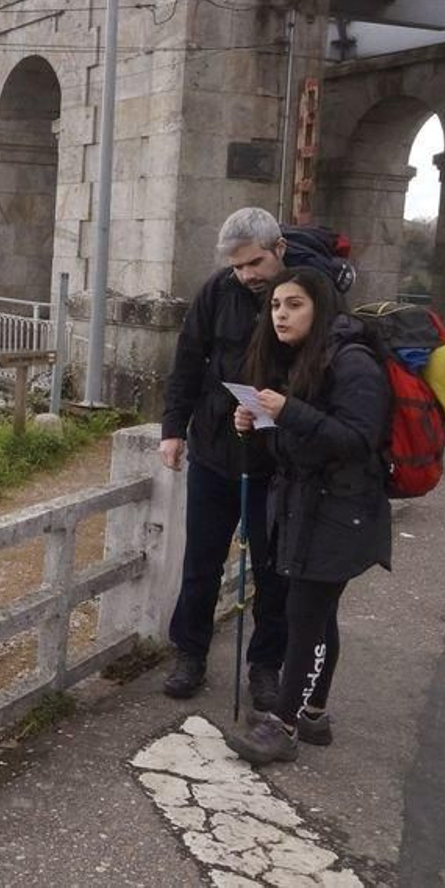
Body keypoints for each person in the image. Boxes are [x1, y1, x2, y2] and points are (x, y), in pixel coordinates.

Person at [158, 207, 349, 709]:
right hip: (215, 447)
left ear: (279, 249)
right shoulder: (218, 291)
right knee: (200, 559)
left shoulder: (310, 295)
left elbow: (326, 372)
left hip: (279, 462)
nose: (246, 276)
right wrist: (173, 429)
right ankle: (190, 653)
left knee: (274, 571)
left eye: (255, 263)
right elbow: (188, 359)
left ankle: (266, 666)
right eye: (238, 266)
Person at [225, 268, 391, 763]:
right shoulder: (303, 361)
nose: (281, 314)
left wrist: (289, 410)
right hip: (308, 509)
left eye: (294, 304)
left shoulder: (354, 363)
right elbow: (298, 449)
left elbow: (358, 440)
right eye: (276, 305)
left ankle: (285, 726)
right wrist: (256, 424)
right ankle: (313, 713)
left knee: (305, 614)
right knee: (319, 614)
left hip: (341, 513)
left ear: (319, 307)